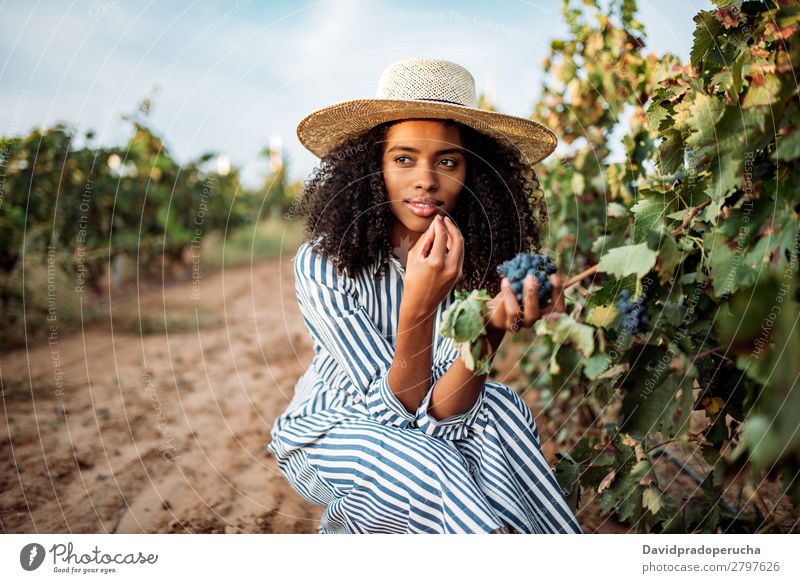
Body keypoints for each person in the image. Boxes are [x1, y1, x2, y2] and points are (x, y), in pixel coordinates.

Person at [267, 57, 582, 534]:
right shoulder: (323, 263)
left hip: (427, 423)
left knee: (502, 410)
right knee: (431, 464)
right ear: (372, 168)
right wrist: (419, 304)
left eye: (448, 161)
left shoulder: (472, 261)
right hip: (328, 432)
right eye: (403, 158)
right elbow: (393, 414)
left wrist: (493, 326)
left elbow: (442, 415)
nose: (426, 179)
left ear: (474, 174)